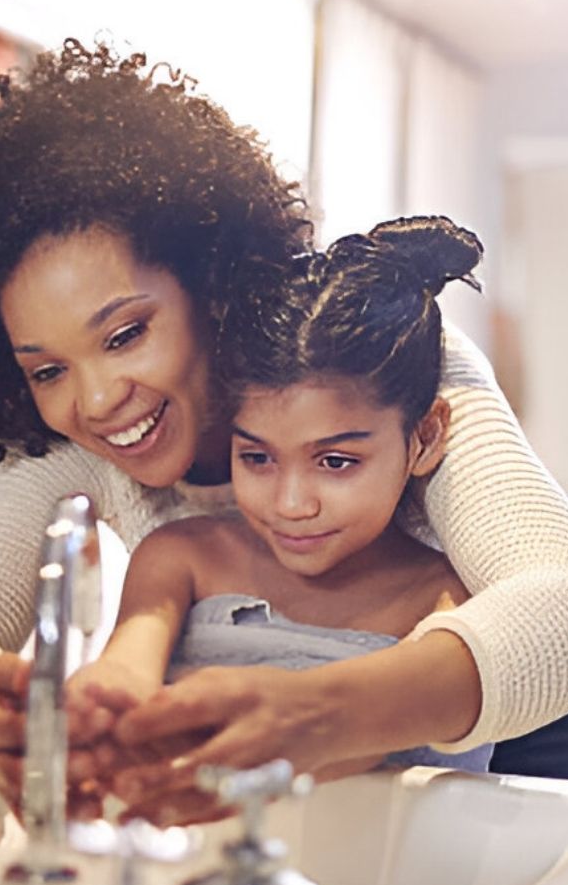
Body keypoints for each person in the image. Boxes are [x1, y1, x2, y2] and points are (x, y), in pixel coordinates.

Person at [0, 40, 568, 838]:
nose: (97, 398)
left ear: (210, 282)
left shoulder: (367, 364)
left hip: (514, 717)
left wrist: (325, 712)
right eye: (45, 368)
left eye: (127, 332)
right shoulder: (64, 432)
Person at [65, 216, 493, 825]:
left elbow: (388, 744)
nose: (291, 502)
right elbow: (127, 667)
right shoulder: (182, 558)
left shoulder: (451, 599)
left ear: (424, 437)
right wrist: (99, 708)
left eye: (337, 461)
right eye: (257, 457)